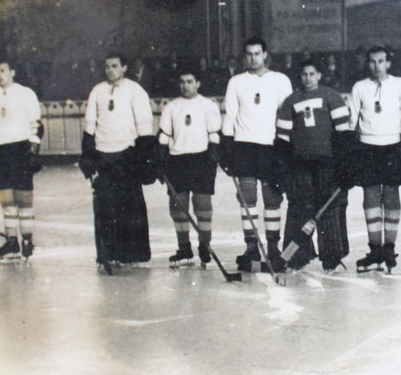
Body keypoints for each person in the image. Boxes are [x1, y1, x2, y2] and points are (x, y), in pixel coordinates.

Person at [220, 37, 293, 272]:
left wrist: (285, 146)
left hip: (271, 146)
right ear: (245, 57)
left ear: (265, 55)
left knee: (272, 199)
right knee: (247, 197)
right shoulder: (236, 82)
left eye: (257, 53)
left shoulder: (280, 80)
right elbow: (230, 116)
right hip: (244, 146)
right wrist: (226, 147)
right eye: (249, 54)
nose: (253, 58)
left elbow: (287, 114)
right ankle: (251, 247)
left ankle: (273, 248)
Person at [79, 54, 156, 272]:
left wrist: (145, 158)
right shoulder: (97, 91)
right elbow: (90, 124)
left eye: (114, 66)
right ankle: (107, 253)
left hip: (127, 154)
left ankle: (130, 253)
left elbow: (144, 124)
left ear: (124, 67)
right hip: (104, 155)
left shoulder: (135, 90)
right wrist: (88, 156)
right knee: (104, 207)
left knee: (129, 207)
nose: (110, 70)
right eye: (107, 67)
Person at [276, 59, 355, 271]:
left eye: (312, 74)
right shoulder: (291, 101)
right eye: (304, 74)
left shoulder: (332, 97)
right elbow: (283, 137)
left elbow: (344, 133)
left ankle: (331, 255)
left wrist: (344, 163)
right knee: (299, 208)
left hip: (327, 162)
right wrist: (283, 165)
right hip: (300, 163)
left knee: (328, 208)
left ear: (319, 75)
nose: (308, 78)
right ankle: (297, 256)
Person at [348, 46, 401, 272]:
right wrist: (349, 149)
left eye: (381, 61)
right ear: (368, 64)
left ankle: (389, 248)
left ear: (389, 63)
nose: (377, 65)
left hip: (393, 146)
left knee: (392, 196)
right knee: (371, 197)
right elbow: (351, 121)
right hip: (367, 147)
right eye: (373, 61)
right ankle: (375, 248)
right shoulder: (359, 87)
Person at [156, 66, 222, 267]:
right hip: (177, 161)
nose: (186, 86)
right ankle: (184, 248)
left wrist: (213, 154)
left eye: (190, 81)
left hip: (201, 160)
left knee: (203, 206)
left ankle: (204, 246)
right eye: (182, 82)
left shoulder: (208, 105)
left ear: (198, 83)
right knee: (178, 207)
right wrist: (160, 160)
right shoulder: (171, 107)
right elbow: (164, 136)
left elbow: (214, 134)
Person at [0, 61, 42, 260]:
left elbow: (36, 126)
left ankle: (28, 240)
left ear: (12, 72)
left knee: (23, 198)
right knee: (6, 199)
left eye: (3, 70)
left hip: (21, 150)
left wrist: (32, 153)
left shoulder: (26, 93)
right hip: (1, 151)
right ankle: (12, 241)